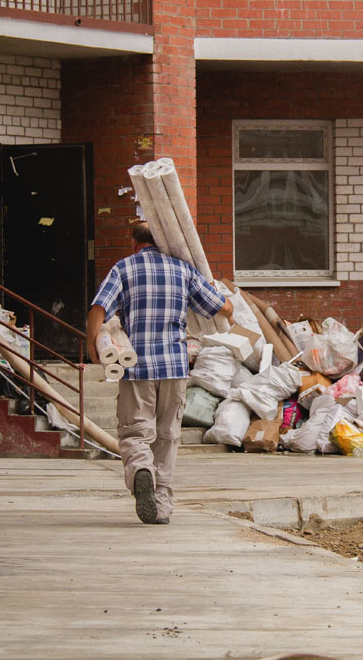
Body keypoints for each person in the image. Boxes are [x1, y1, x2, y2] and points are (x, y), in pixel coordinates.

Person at [86, 222, 235, 524]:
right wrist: (216, 290)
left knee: (135, 431)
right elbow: (225, 309)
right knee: (167, 435)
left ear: (134, 243)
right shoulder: (183, 270)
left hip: (136, 365)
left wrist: (93, 346)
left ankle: (142, 468)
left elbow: (98, 310)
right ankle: (162, 508)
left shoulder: (123, 268)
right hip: (174, 365)